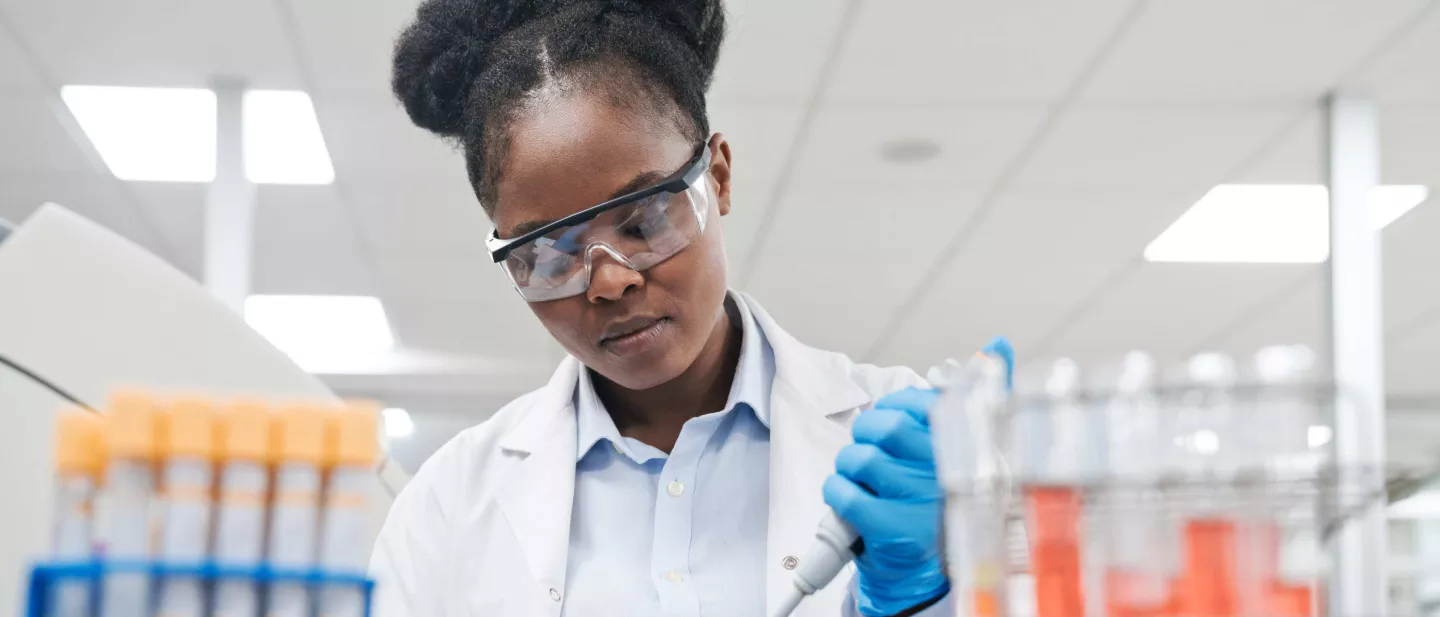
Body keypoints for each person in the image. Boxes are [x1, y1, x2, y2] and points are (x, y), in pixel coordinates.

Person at [371, 1, 955, 616]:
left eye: (643, 219)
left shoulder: (910, 454)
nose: (608, 282)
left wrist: (929, 596)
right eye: (546, 254)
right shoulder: (447, 507)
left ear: (719, 179)